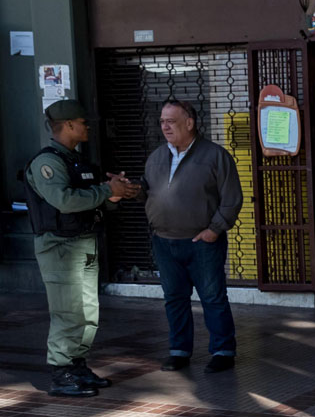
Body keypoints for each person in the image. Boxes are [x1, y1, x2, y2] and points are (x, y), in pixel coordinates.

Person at [21, 100, 139, 397]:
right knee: (67, 311)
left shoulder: (77, 161)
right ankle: (61, 372)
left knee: (87, 312)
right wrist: (105, 191)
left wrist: (114, 192)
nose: (87, 126)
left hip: (83, 242)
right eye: (83, 122)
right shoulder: (47, 162)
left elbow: (94, 194)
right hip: (60, 246)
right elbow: (65, 200)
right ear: (69, 125)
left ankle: (75, 364)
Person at [138, 100, 243, 373]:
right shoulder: (157, 157)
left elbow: (231, 200)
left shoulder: (215, 156)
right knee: (174, 298)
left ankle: (223, 351)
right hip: (164, 241)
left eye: (171, 121)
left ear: (189, 123)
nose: (164, 126)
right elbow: (147, 192)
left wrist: (214, 230)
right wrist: (128, 189)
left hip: (202, 242)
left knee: (212, 297)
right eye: (162, 121)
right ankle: (179, 351)